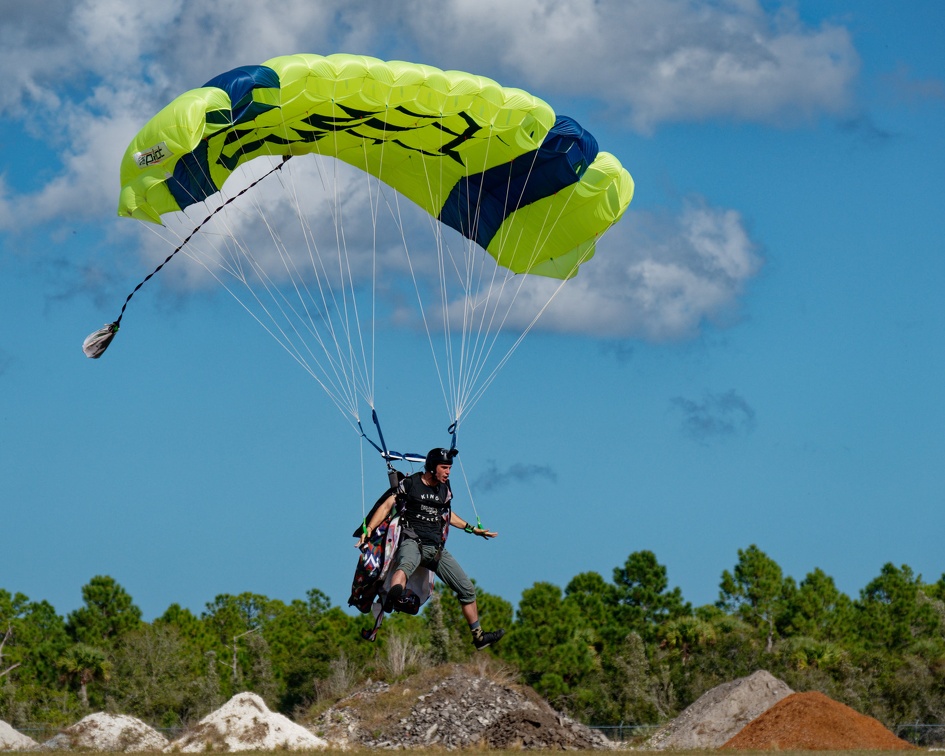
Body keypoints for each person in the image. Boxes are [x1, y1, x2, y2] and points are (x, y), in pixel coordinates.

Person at [356, 447, 505, 650]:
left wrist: (471, 529)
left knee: (467, 590)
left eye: (450, 468)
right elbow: (386, 506)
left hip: (435, 550)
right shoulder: (411, 484)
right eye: (444, 467)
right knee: (403, 568)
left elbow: (448, 515)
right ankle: (394, 595)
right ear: (432, 467)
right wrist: (369, 529)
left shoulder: (444, 490)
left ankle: (478, 636)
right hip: (412, 542)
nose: (448, 472)